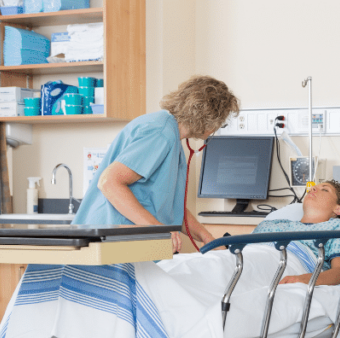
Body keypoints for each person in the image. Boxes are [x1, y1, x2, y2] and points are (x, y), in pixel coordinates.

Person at [73, 75, 240, 253]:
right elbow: (109, 182)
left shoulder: (170, 135)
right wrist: (158, 229)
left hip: (122, 241)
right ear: (208, 118)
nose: (218, 127)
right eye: (220, 122)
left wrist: (208, 239)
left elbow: (174, 210)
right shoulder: (161, 134)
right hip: (108, 241)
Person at [252, 180, 340, 287]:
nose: (312, 188)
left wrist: (302, 279)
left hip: (287, 264)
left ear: (338, 209)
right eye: (313, 188)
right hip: (250, 257)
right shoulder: (275, 224)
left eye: (325, 190)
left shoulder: (337, 228)